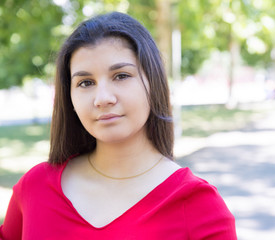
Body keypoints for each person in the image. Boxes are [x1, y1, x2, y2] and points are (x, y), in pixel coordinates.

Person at [0, 12, 236, 239]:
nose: (102, 98)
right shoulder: (35, 188)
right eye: (85, 83)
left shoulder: (198, 205)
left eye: (121, 76)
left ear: (153, 82)